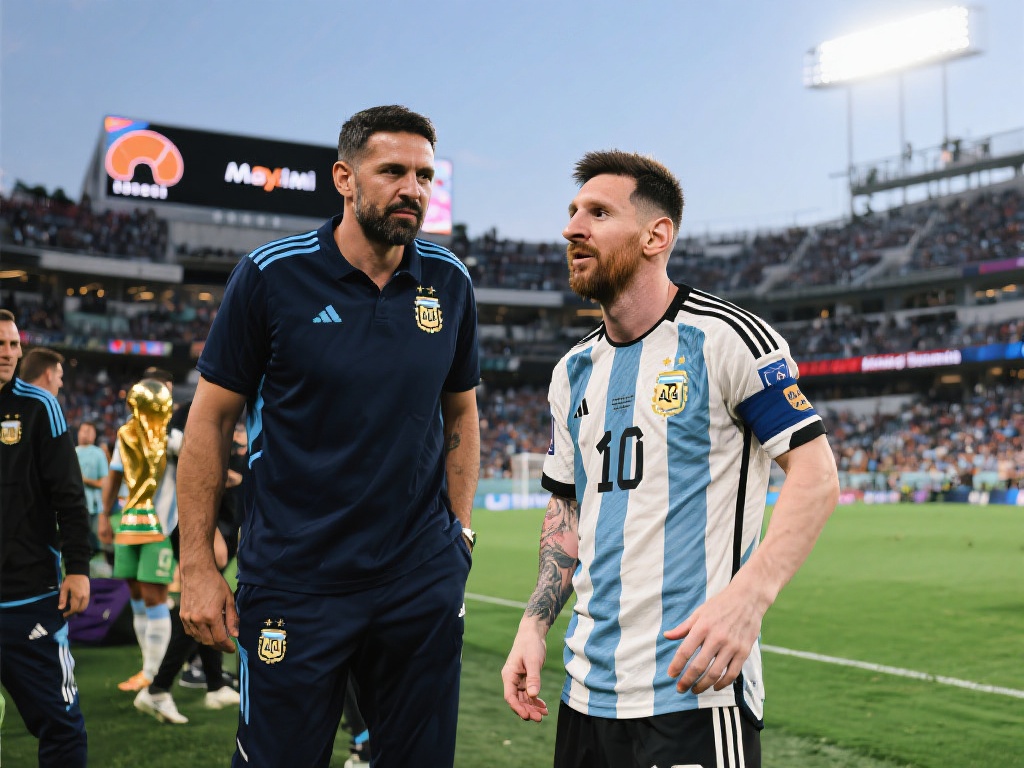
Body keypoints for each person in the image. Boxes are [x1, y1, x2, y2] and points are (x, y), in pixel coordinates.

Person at [500, 152, 840, 768]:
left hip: (694, 690)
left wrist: (749, 599)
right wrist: (533, 624)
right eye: (573, 212)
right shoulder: (572, 371)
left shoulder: (726, 339)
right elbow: (567, 508)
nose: (573, 228)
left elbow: (815, 476)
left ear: (656, 236)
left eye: (599, 213)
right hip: (585, 693)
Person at [177, 104, 480, 768]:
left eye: (425, 175)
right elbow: (211, 420)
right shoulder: (270, 275)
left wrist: (458, 532)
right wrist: (197, 564)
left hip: (419, 580)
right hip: (295, 582)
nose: (413, 189)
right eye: (392, 171)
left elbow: (461, 412)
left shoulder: (450, 282)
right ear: (344, 178)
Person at [0, 308, 90, 767]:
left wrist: (78, 568)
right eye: (0, 344)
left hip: (27, 597)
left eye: (14, 344)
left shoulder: (40, 407)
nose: (8, 352)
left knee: (62, 725)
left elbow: (69, 495)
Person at [132, 404, 242, 724]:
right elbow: (189, 458)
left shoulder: (227, 406)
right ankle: (158, 688)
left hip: (212, 520)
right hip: (197, 522)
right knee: (200, 601)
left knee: (207, 602)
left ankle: (215, 684)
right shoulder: (193, 412)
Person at [98, 371, 176, 694]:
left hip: (162, 529)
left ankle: (156, 676)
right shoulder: (127, 434)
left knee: (155, 596)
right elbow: (114, 477)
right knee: (136, 596)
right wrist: (104, 516)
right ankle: (148, 668)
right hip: (129, 523)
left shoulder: (175, 438)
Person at [74, 420, 110, 568]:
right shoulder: (72, 452)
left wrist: (85, 480)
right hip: (74, 504)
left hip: (93, 507)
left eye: (89, 431)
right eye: (83, 430)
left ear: (94, 435)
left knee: (93, 543)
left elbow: (104, 482)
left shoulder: (98, 453)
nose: (85, 434)